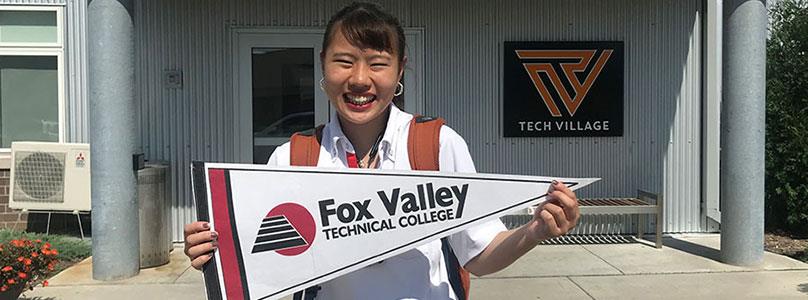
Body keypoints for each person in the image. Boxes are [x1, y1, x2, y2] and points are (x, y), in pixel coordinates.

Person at [184, 2, 580, 299]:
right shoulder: (292, 159)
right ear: (323, 65)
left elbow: (478, 255)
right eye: (344, 62)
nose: (359, 79)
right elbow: (261, 262)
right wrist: (215, 252)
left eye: (377, 63)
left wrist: (535, 231)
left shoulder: (437, 145)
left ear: (399, 70)